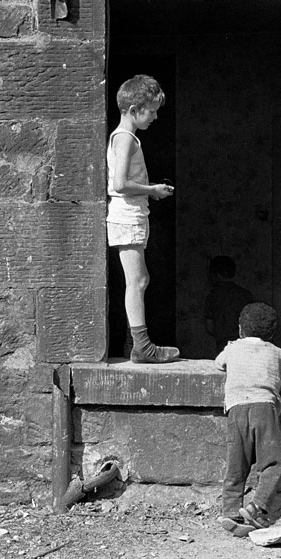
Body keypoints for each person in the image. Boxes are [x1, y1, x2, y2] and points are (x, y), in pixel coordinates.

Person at [215, 302, 281, 535]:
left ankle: (230, 512)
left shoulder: (232, 349)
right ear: (272, 333)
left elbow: (219, 363)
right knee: (272, 464)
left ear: (240, 329)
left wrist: (231, 347)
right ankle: (256, 507)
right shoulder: (275, 352)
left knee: (236, 465)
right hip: (264, 410)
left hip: (236, 410)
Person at [107, 74, 179, 364]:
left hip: (133, 214)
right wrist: (152, 190)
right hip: (128, 214)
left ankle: (132, 342)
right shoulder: (125, 138)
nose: (156, 116)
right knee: (137, 281)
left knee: (139, 280)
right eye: (152, 110)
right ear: (135, 110)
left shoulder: (126, 137)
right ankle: (142, 347)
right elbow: (120, 183)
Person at [203, 255, 255, 356]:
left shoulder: (212, 296)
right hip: (246, 344)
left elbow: (210, 326)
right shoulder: (246, 295)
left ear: (216, 275)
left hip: (222, 344)